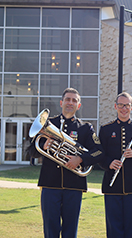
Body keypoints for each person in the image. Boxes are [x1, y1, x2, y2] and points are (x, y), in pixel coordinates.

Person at [29, 87, 103, 238]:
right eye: (68, 99)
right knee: (50, 228)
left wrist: (81, 158)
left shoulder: (85, 128)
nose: (70, 103)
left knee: (70, 229)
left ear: (78, 105)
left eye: (74, 100)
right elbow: (30, 151)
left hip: (74, 186)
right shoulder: (49, 123)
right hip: (50, 184)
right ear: (61, 102)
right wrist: (43, 146)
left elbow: (99, 151)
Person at [99, 92, 132, 238]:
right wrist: (109, 163)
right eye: (120, 105)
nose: (124, 108)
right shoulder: (106, 129)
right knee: (113, 228)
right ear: (115, 106)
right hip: (112, 186)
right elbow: (99, 155)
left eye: (127, 105)